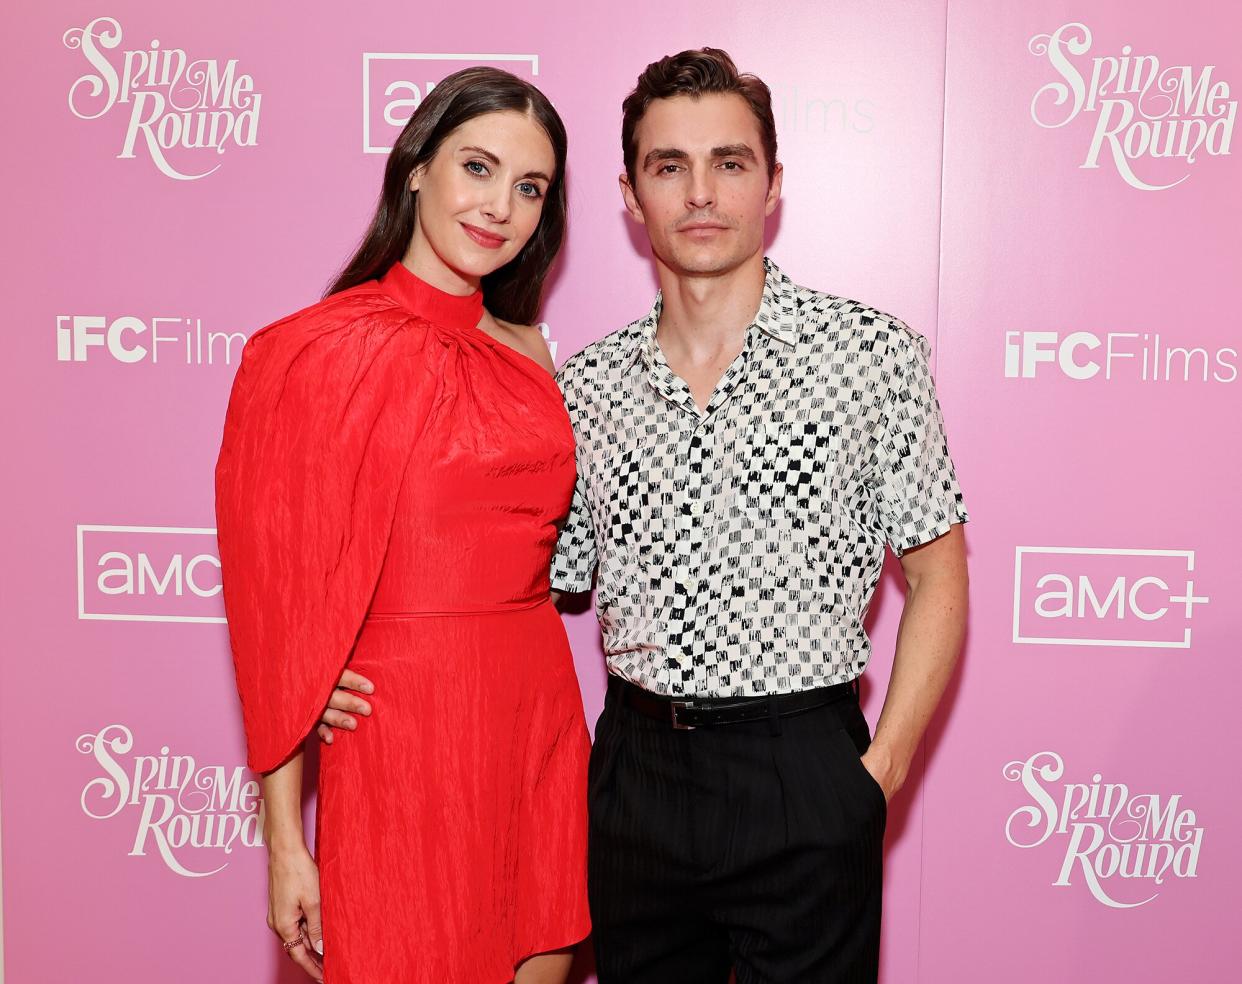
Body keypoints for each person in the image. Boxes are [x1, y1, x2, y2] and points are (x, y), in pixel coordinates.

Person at [321, 47, 969, 984]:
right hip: (633, 784)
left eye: (729, 163)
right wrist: (351, 649)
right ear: (631, 194)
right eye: (670, 167)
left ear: (773, 183)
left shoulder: (872, 355)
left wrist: (879, 775)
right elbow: (515, 580)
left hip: (807, 769)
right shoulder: (577, 386)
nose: (700, 192)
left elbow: (941, 574)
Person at [215, 67, 590, 984]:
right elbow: (274, 585)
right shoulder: (310, 349)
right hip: (403, 738)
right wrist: (286, 839)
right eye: (478, 167)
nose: (500, 206)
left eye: (529, 187)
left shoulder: (535, 351)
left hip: (536, 720)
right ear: (416, 166)